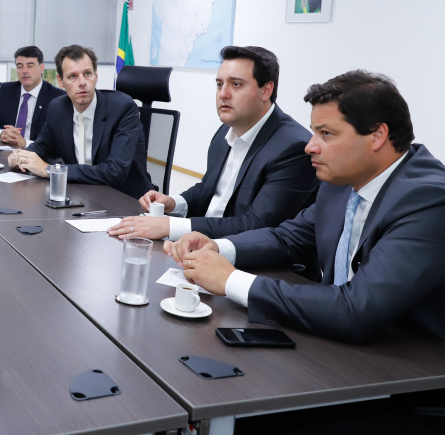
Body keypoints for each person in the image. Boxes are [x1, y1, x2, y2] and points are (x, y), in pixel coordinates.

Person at [167, 70, 445, 345]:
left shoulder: (427, 200)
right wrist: (218, 247)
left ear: (377, 136)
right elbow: (288, 238)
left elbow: (357, 310)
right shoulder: (341, 180)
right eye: (314, 132)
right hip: (337, 342)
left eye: (326, 134)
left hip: (409, 366)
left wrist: (230, 281)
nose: (310, 146)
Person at [109, 46, 317, 241]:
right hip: (207, 245)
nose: (223, 94)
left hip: (259, 264)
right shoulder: (227, 130)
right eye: (219, 84)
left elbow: (256, 226)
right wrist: (174, 203)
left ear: (266, 90)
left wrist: (170, 227)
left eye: (236, 84)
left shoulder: (293, 147)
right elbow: (208, 189)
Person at [8, 44, 153, 198]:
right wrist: (20, 156)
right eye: (73, 76)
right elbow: (42, 147)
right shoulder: (58, 108)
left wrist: (49, 170)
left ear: (96, 76)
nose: (82, 82)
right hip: (80, 194)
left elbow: (115, 172)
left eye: (87, 74)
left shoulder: (122, 109)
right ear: (60, 81)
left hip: (125, 199)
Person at [0, 45, 65, 149]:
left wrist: (25, 143)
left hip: (38, 156)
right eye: (20, 66)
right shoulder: (6, 90)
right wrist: (2, 134)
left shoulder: (57, 98)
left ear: (41, 68)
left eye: (30, 66)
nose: (24, 71)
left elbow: (58, 142)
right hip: (6, 153)